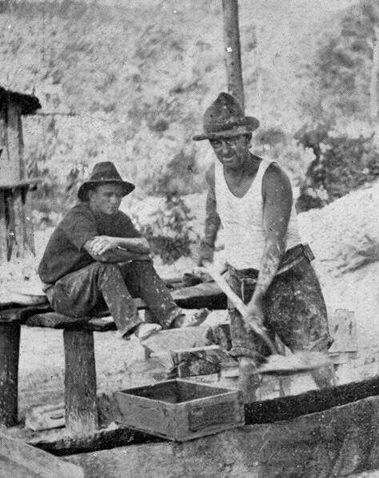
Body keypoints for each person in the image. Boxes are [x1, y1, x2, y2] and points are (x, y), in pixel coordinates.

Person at [193, 92, 334, 400]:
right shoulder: (213, 174)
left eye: (232, 140)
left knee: (315, 360)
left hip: (288, 278)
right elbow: (214, 203)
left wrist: (259, 298)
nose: (225, 149)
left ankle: (343, 415)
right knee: (247, 367)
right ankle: (250, 434)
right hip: (241, 280)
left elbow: (274, 245)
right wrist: (207, 242)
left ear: (247, 138)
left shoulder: (272, 178)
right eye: (217, 143)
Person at [38, 162, 207, 341]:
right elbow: (101, 255)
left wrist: (115, 241)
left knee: (140, 266)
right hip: (63, 293)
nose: (114, 200)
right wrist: (136, 254)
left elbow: (145, 245)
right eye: (108, 195)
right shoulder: (78, 216)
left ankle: (175, 318)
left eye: (118, 195)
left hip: (96, 291)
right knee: (106, 268)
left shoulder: (119, 218)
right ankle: (135, 327)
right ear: (92, 195)